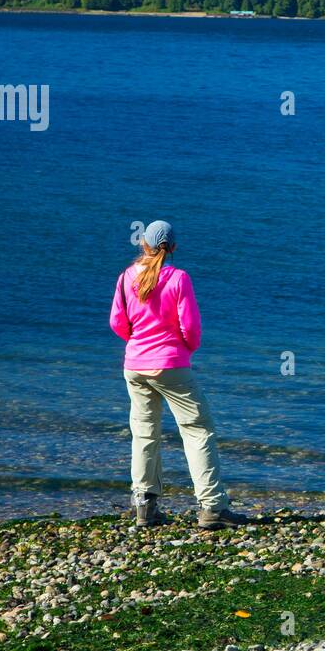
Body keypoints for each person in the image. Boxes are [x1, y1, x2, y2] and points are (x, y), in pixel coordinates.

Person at [109, 220, 242, 529]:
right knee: (197, 430)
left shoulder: (126, 276)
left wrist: (137, 344)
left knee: (144, 434)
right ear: (173, 248)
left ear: (143, 244)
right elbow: (191, 327)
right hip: (171, 364)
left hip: (135, 366)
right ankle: (212, 507)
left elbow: (118, 322)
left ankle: (144, 507)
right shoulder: (178, 278)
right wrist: (184, 350)